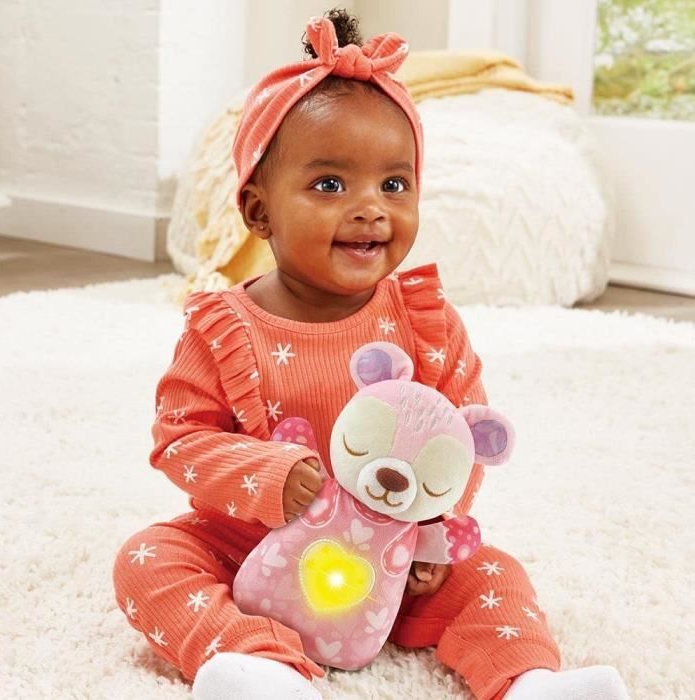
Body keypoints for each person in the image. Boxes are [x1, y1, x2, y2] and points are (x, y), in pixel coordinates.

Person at [113, 10, 630, 700]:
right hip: (251, 553)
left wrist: (432, 530)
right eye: (330, 185)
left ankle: (529, 681)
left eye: (394, 184)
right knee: (148, 561)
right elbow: (179, 440)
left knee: (495, 573)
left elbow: (461, 435)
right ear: (259, 211)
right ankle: (259, 666)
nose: (370, 208)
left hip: (392, 560)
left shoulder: (423, 322)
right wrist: (268, 475)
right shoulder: (224, 329)